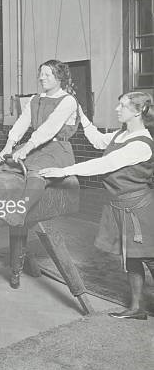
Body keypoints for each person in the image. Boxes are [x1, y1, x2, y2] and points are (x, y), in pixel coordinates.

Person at [41, 92, 154, 320]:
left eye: (122, 105)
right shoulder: (121, 135)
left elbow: (105, 163)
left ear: (138, 111)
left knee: (151, 258)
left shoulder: (142, 144)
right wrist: (81, 113)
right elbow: (96, 140)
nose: (116, 109)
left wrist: (63, 171)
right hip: (120, 205)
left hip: (139, 208)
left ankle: (138, 306)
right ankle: (136, 308)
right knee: (131, 258)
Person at [0, 59, 79, 225]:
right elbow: (22, 123)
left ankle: (20, 212)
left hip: (57, 148)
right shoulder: (35, 99)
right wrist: (8, 146)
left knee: (36, 173)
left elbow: (49, 128)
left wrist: (26, 149)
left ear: (59, 77)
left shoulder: (68, 101)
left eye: (47, 74)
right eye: (41, 74)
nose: (42, 78)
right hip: (36, 146)